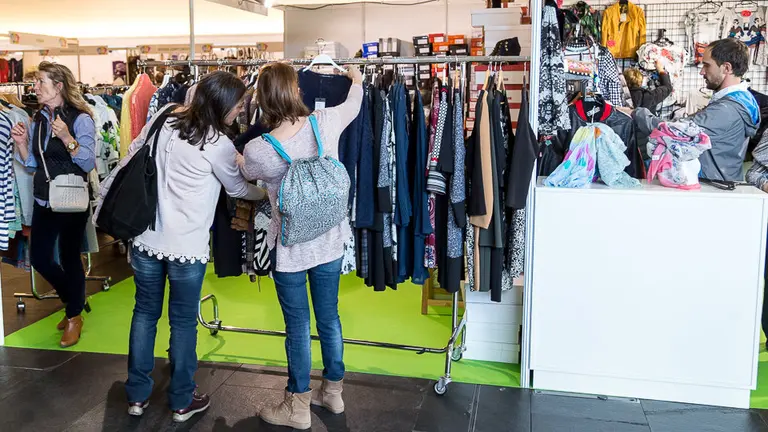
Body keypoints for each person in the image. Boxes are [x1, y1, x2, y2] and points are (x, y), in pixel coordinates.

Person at [94, 71, 266, 423]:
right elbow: (237, 189)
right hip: (187, 247)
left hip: (147, 237)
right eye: (238, 105)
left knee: (144, 314)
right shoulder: (218, 144)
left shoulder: (165, 117)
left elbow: (133, 152)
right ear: (222, 104)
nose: (241, 111)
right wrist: (266, 193)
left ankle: (137, 396)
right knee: (184, 323)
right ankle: (182, 400)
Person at [240, 62, 363, 430]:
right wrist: (356, 78)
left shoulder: (259, 148)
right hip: (330, 242)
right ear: (296, 91)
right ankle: (334, 393)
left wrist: (237, 158)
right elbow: (355, 102)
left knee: (297, 327)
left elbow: (246, 174)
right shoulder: (325, 122)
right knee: (329, 318)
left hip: (290, 250)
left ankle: (297, 405)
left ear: (262, 100)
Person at [11, 62, 97, 348]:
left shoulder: (81, 118)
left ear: (58, 86)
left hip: (72, 199)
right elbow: (34, 164)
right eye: (36, 82)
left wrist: (67, 138)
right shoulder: (38, 119)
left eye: (41, 82)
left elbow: (87, 162)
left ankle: (73, 316)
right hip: (44, 198)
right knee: (40, 258)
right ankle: (75, 300)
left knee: (70, 257)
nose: (35, 87)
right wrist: (22, 143)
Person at [630, 38, 760, 182]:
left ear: (726, 68)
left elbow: (674, 131)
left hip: (712, 187)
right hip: (718, 182)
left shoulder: (727, 109)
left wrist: (635, 113)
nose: (702, 72)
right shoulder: (741, 100)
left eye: (707, 65)